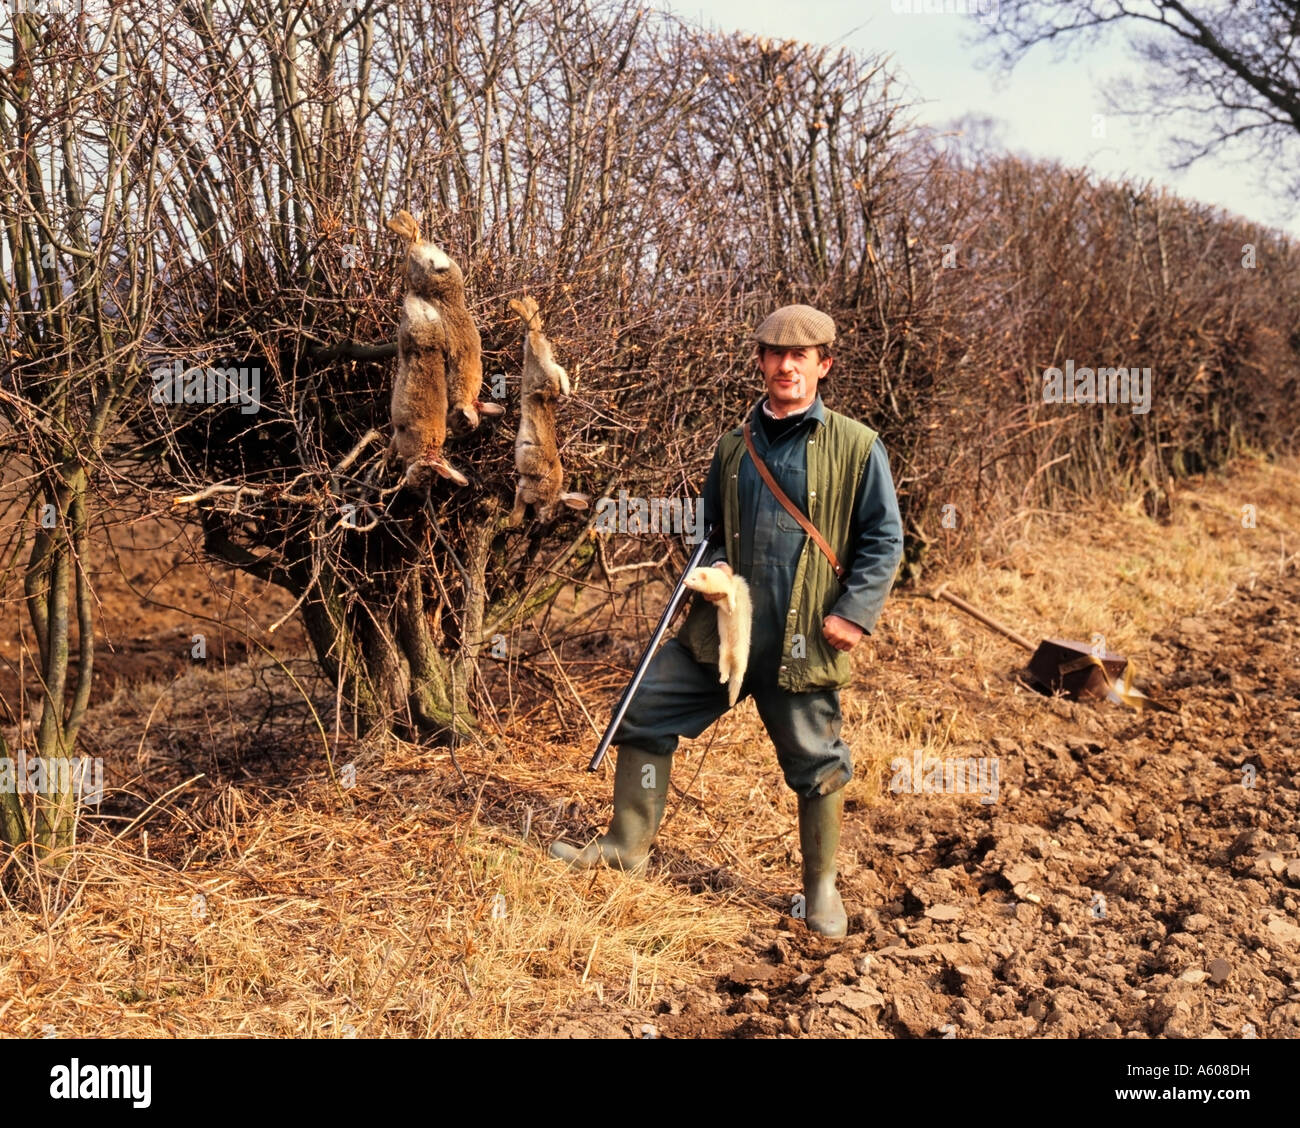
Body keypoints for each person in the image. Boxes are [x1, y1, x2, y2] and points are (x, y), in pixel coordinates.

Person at [549, 304, 904, 938]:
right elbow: (709, 532)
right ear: (761, 363)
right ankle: (626, 844)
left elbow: (884, 538)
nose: (785, 366)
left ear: (825, 365)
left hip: (802, 638)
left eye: (800, 356)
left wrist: (856, 613)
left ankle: (820, 891)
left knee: (818, 762)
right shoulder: (734, 446)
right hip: (725, 633)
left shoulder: (857, 445)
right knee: (645, 707)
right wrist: (706, 574)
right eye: (774, 354)